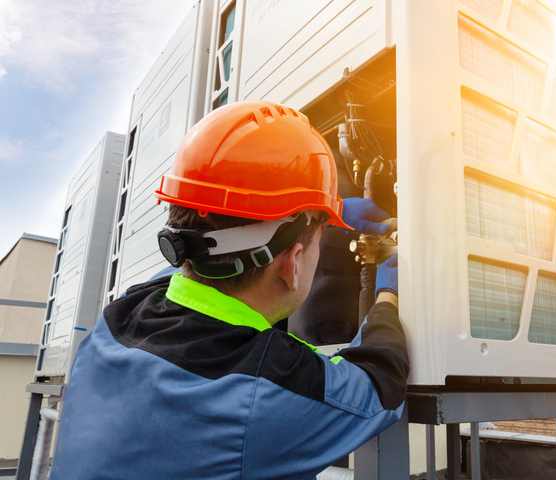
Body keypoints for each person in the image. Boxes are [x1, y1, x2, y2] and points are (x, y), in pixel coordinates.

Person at [49, 101, 408, 480]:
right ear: (293, 264)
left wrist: (328, 209)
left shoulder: (115, 320)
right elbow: (379, 386)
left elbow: (191, 258)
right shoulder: (268, 391)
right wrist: (387, 295)